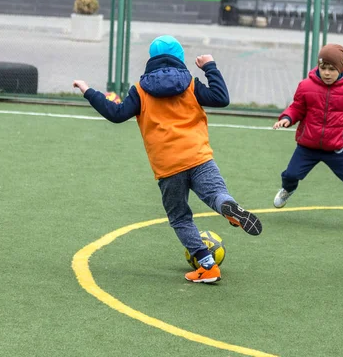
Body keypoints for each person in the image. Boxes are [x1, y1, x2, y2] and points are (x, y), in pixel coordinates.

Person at [73, 35, 262, 284]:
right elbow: (221, 98)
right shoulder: (191, 85)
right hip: (199, 156)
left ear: (151, 59)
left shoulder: (140, 90)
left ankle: (207, 266)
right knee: (216, 193)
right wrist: (210, 67)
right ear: (180, 58)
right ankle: (228, 207)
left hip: (168, 167)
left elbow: (116, 114)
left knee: (181, 218)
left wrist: (88, 91)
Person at [272, 44, 343, 233]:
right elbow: (296, 107)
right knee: (291, 175)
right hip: (308, 146)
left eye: (331, 69)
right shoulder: (306, 86)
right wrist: (287, 118)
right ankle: (288, 189)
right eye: (323, 68)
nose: (326, 73)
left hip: (336, 148)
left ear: (340, 69)